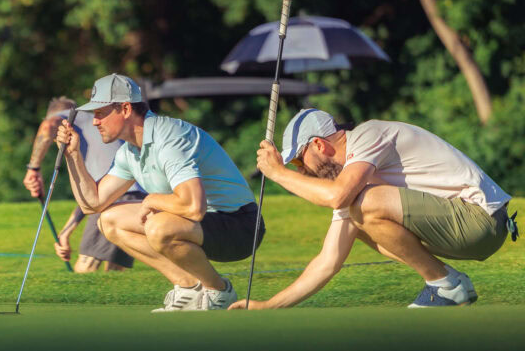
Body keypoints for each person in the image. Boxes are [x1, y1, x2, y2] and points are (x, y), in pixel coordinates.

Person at [233, 108, 518, 309]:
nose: (302, 170)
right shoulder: (354, 183)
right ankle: (447, 284)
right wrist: (269, 306)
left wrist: (279, 174)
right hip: (465, 228)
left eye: (298, 161)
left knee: (360, 205)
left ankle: (445, 284)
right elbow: (327, 262)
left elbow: (337, 196)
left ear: (319, 144)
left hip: (482, 220)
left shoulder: (368, 135)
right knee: (358, 214)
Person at [56, 73, 265, 312]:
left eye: (101, 113)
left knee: (158, 225)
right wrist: (73, 156)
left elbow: (194, 207)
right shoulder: (129, 152)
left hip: (241, 227)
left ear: (125, 109)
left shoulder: (169, 138)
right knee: (109, 220)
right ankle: (189, 287)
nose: (95, 122)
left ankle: (219, 291)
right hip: (203, 227)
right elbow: (91, 204)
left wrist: (152, 200)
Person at [23, 97, 145, 272]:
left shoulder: (67, 117)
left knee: (86, 268)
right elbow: (91, 200)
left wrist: (33, 168)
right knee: (113, 274)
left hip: (117, 194)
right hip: (136, 196)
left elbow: (48, 126)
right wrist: (66, 233)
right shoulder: (94, 126)